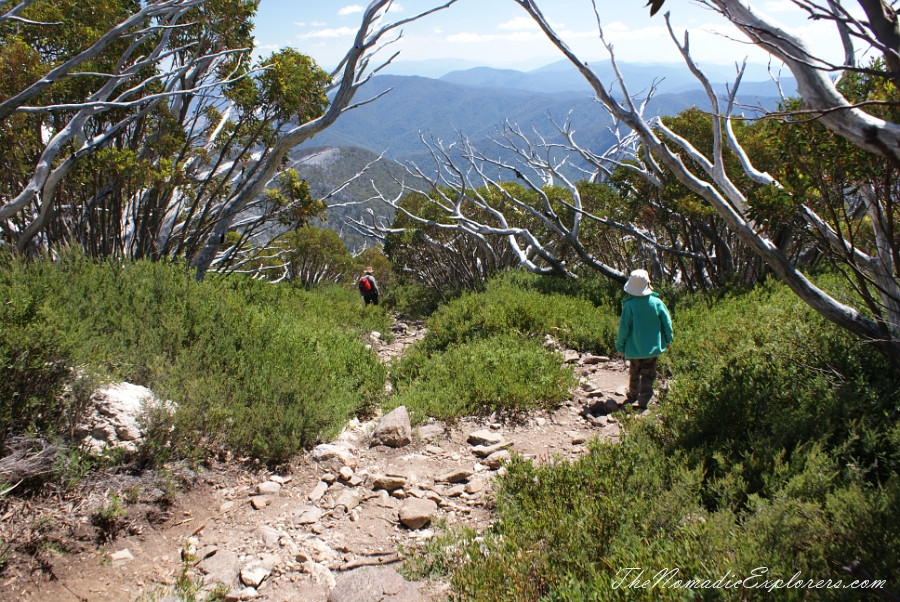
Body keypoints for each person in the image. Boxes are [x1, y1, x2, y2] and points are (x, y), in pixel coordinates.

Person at [615, 269, 673, 409]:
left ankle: (633, 394)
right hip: (652, 348)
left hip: (634, 349)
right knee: (649, 372)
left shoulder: (629, 306)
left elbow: (624, 329)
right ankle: (645, 397)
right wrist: (668, 339)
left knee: (634, 371)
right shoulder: (657, 303)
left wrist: (620, 347)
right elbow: (667, 323)